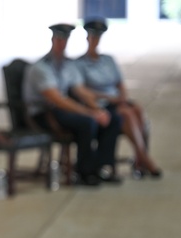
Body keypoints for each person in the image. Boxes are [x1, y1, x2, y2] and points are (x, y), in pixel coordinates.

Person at [22, 23, 122, 187]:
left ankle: (101, 167)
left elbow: (81, 90)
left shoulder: (68, 64)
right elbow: (57, 99)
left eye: (65, 40)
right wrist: (89, 113)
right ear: (53, 40)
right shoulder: (41, 67)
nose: (62, 44)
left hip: (62, 110)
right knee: (87, 123)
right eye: (59, 40)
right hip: (44, 113)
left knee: (112, 119)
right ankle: (84, 172)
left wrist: (98, 110)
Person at [77, 18, 162, 178]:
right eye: (92, 36)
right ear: (87, 37)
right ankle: (143, 158)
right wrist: (109, 97)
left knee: (136, 109)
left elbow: (120, 83)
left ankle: (140, 159)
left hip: (116, 100)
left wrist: (122, 96)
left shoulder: (108, 60)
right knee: (127, 114)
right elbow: (82, 91)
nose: (95, 40)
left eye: (98, 36)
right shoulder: (80, 64)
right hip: (100, 103)